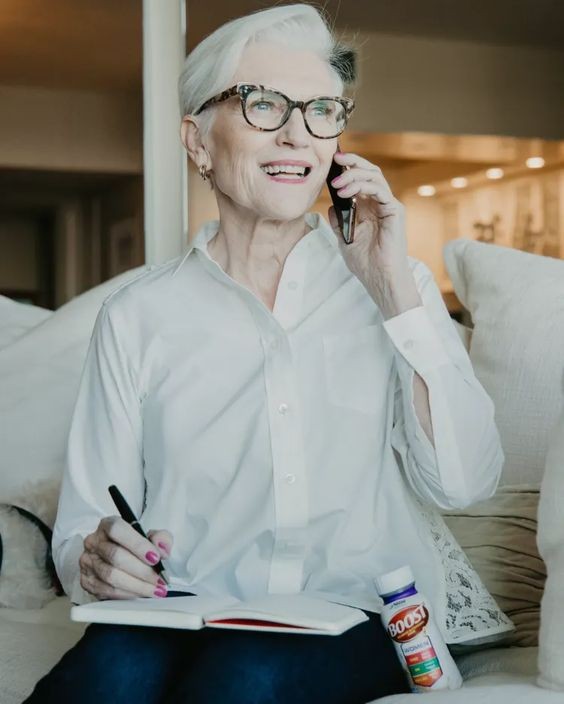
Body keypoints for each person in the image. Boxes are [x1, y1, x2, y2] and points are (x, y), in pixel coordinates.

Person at [25, 4, 510, 703]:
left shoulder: (392, 288)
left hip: (357, 616)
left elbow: (466, 482)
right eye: (263, 104)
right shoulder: (137, 317)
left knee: (244, 678)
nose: (296, 133)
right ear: (196, 142)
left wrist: (394, 290)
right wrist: (95, 560)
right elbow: (80, 530)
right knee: (104, 678)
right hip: (183, 608)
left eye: (321, 110)